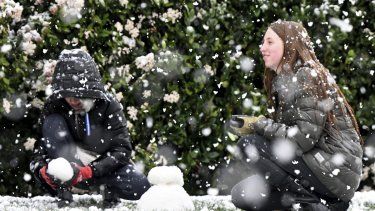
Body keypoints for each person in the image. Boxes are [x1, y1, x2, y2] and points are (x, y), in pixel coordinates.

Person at [229, 20, 363, 211]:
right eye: (263, 42)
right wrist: (255, 125)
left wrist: (259, 124)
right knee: (242, 194)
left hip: (334, 172)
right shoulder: (285, 81)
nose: (262, 48)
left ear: (289, 43)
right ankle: (323, 205)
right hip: (318, 170)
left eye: (269, 42)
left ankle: (312, 204)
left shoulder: (306, 76)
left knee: (250, 145)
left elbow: (303, 139)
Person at [30, 49, 150, 207]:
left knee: (141, 187)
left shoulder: (109, 105)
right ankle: (65, 189)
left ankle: (107, 188)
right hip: (68, 163)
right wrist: (42, 171)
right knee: (52, 123)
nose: (73, 100)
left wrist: (88, 171)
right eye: (68, 95)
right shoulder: (54, 105)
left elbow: (122, 151)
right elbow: (40, 149)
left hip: (102, 167)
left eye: (79, 95)